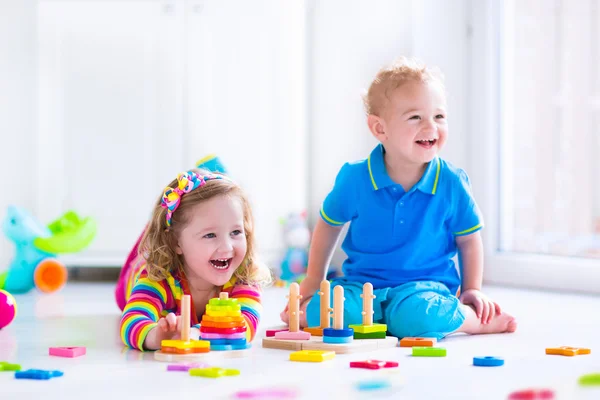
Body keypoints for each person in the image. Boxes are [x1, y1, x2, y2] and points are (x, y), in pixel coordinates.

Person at [281, 57, 517, 339]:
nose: (431, 127)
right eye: (416, 117)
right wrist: (313, 280)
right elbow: (329, 225)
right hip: (360, 286)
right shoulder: (354, 178)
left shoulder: (452, 182)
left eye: (439, 116)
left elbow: (469, 240)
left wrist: (472, 290)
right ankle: (379, 317)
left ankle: (471, 320)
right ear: (380, 129)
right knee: (323, 311)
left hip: (425, 289)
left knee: (418, 317)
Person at [118, 169, 270, 350]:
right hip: (136, 273)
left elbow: (244, 326)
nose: (227, 247)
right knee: (148, 246)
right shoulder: (159, 277)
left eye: (236, 232)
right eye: (210, 235)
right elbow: (132, 321)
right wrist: (156, 336)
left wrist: (195, 333)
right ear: (176, 242)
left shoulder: (244, 276)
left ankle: (206, 171)